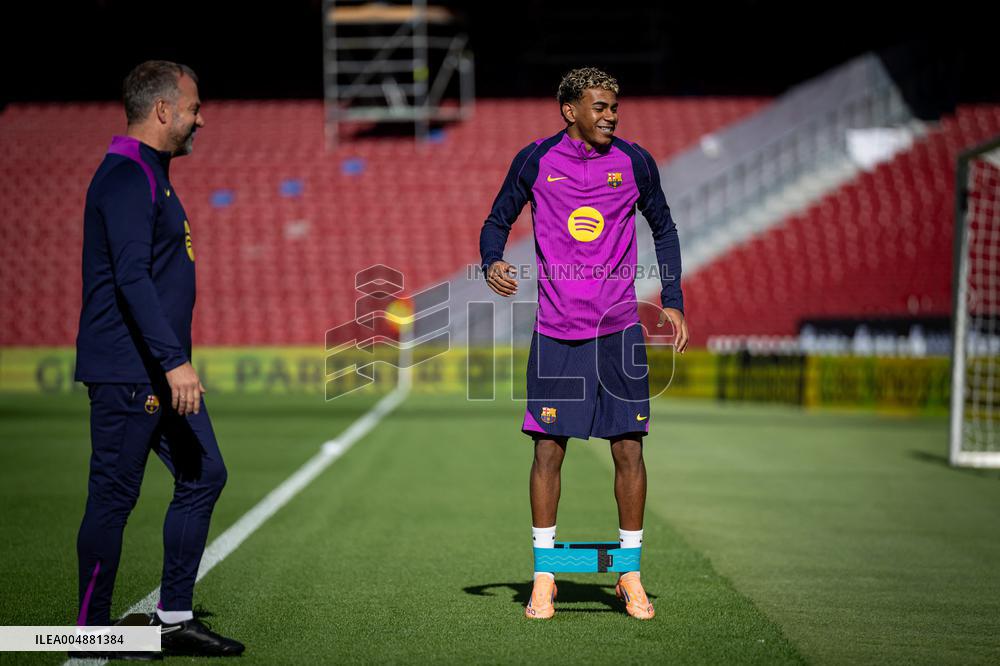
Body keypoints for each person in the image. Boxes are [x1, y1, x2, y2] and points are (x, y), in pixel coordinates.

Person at [479, 67, 689, 620]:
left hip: (619, 332)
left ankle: (630, 575)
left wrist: (673, 299)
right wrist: (492, 261)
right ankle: (545, 576)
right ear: (570, 110)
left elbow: (664, 228)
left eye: (614, 107)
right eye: (600, 107)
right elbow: (496, 221)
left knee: (629, 449)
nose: (611, 116)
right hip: (556, 332)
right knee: (548, 450)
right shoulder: (535, 160)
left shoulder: (635, 161)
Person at [73, 60, 243, 657]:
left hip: (157, 370)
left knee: (205, 474)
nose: (201, 118)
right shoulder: (126, 175)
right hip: (131, 370)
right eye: (194, 108)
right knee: (113, 501)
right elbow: (131, 278)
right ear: (163, 109)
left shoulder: (154, 174)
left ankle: (173, 619)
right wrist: (174, 362)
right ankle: (91, 636)